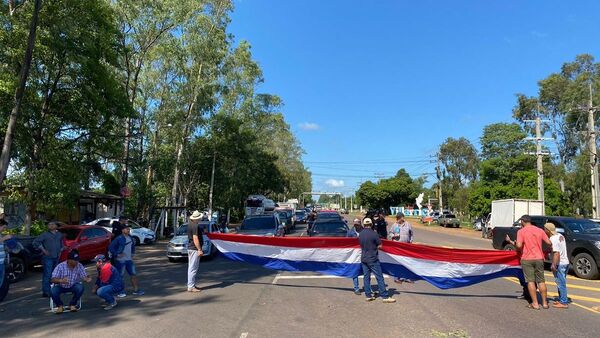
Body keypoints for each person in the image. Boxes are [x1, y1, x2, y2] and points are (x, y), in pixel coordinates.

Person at [505, 215, 552, 310]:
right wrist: (542, 249)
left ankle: (535, 303)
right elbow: (549, 243)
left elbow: (518, 245)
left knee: (530, 281)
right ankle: (545, 303)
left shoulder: (521, 231)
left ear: (522, 221)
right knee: (541, 281)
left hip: (527, 259)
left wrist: (514, 243)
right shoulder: (540, 230)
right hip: (539, 258)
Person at [358, 218, 395, 303]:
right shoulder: (374, 234)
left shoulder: (360, 234)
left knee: (366, 277)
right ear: (371, 224)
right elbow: (380, 246)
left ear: (364, 224)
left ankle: (368, 295)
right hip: (373, 258)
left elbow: (361, 244)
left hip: (364, 258)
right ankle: (385, 296)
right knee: (379, 277)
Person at [109, 223, 144, 297]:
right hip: (120, 261)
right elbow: (111, 247)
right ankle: (121, 292)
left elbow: (132, 246)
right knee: (120, 276)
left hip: (129, 260)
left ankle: (136, 290)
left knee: (133, 275)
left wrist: (133, 253)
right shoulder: (119, 238)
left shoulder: (130, 237)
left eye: (129, 229)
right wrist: (117, 254)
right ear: (122, 230)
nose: (128, 230)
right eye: (126, 229)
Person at [33, 221, 64, 297]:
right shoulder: (45, 234)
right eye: (49, 224)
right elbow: (35, 242)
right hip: (48, 258)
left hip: (56, 257)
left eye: (52, 224)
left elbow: (61, 243)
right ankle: (46, 291)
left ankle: (54, 290)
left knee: (55, 275)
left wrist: (61, 249)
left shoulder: (59, 234)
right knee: (47, 274)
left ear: (56, 226)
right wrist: (43, 250)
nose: (50, 225)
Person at [544, 222, 569, 309]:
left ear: (548, 230)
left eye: (545, 229)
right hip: (565, 262)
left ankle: (564, 302)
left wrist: (554, 264)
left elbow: (556, 253)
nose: (544, 231)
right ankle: (561, 298)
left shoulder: (553, 238)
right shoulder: (560, 235)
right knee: (560, 282)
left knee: (561, 283)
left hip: (560, 263)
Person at [389, 214, 414, 284]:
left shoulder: (408, 224)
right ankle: (397, 278)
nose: (398, 220)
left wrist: (411, 241)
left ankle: (407, 278)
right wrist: (394, 236)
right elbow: (390, 233)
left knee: (407, 262)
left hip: (406, 246)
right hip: (397, 247)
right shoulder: (394, 225)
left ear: (402, 218)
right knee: (397, 262)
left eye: (399, 218)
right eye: (397, 218)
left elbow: (411, 234)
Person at [186, 210, 204, 292]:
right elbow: (195, 238)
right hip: (194, 248)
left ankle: (191, 284)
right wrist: (199, 249)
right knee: (193, 268)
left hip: (191, 248)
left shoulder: (190, 224)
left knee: (191, 267)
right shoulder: (195, 226)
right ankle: (191, 286)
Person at [347, 218, 363, 295]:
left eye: (358, 224)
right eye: (355, 224)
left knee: (366, 271)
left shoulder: (365, 231)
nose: (356, 226)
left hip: (364, 254)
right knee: (355, 271)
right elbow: (346, 243)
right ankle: (356, 288)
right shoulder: (350, 232)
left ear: (360, 224)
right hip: (354, 255)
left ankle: (367, 287)